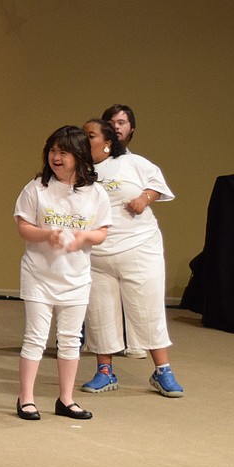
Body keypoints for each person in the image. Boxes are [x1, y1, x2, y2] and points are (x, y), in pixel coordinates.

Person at [79, 119, 184, 397]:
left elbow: (157, 186)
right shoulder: (80, 170)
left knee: (147, 308)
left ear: (108, 142)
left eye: (90, 135)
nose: (84, 139)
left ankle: (163, 371)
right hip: (98, 253)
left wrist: (145, 198)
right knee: (100, 312)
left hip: (138, 246)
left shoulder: (133, 162)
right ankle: (104, 371)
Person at [13, 125, 111, 421]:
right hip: (39, 275)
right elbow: (23, 227)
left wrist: (84, 238)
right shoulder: (36, 188)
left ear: (80, 156)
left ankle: (66, 399)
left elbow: (102, 232)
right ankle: (26, 399)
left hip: (76, 278)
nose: (56, 157)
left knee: (70, 339)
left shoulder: (96, 193)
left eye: (64, 152)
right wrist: (47, 235)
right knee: (35, 338)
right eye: (53, 150)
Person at [100, 103, 144, 358]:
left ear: (131, 129)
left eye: (122, 122)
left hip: (127, 236)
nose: (116, 127)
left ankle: (131, 342)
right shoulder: (91, 161)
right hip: (97, 237)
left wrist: (145, 198)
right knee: (96, 294)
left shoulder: (134, 164)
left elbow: (152, 188)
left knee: (130, 290)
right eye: (112, 122)